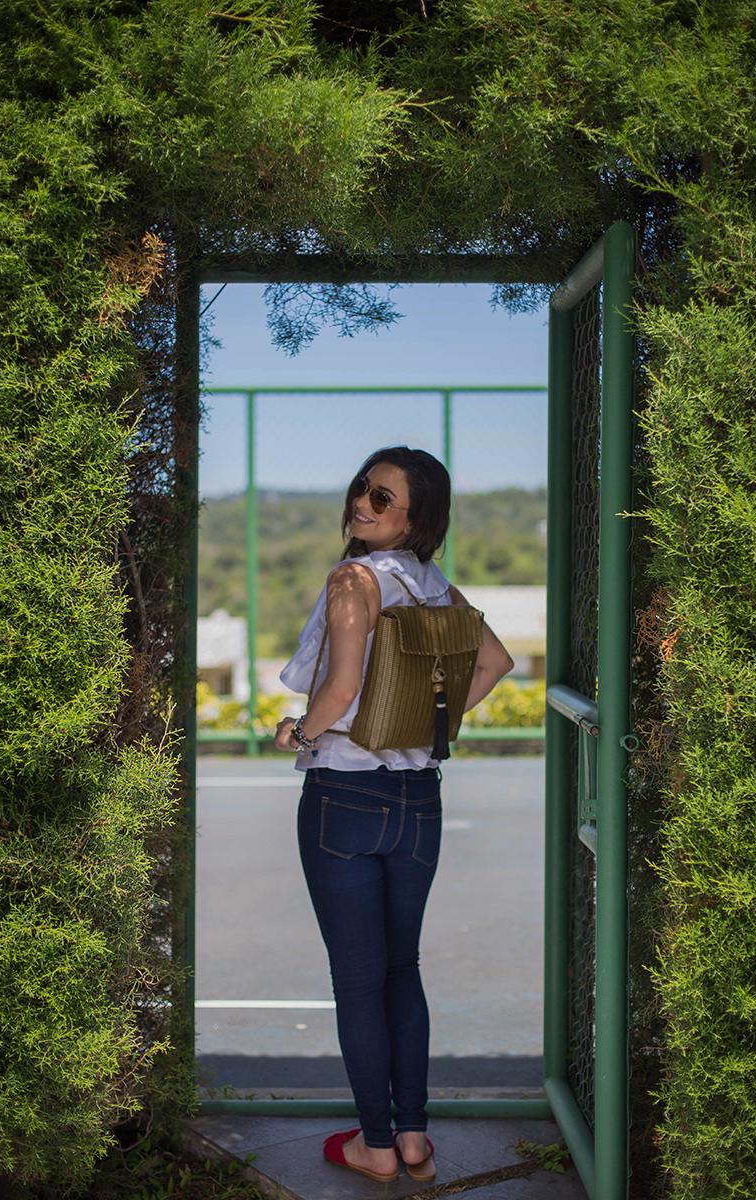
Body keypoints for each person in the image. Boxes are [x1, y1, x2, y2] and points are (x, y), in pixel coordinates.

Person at [274, 446, 514, 1184]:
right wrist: (427, 728)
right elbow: (494, 664)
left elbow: (342, 687)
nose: (362, 504)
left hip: (345, 799)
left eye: (382, 498)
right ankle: (413, 1138)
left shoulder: (354, 579)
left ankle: (373, 1145)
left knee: (357, 980)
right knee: (401, 970)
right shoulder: (438, 589)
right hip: (418, 801)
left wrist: (301, 733)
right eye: (362, 489)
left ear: (416, 516)